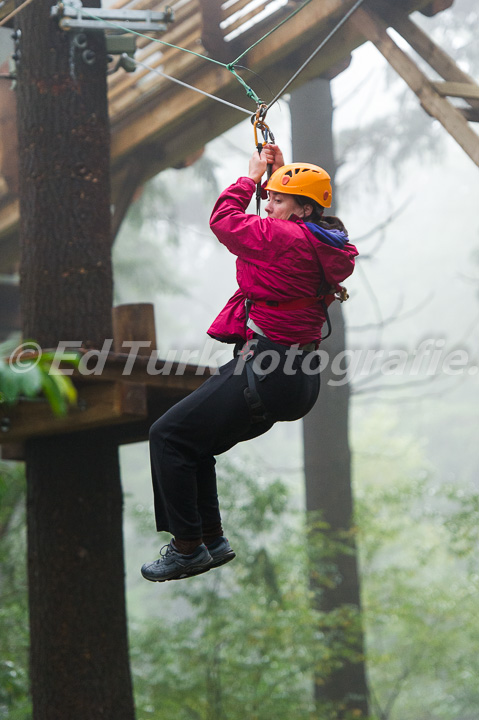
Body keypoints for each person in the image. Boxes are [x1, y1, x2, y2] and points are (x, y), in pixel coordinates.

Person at [141, 144, 358, 582]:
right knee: (192, 443)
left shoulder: (283, 236)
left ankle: (188, 549)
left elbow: (224, 222)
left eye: (278, 199)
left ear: (302, 209)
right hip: (296, 380)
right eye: (269, 196)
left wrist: (251, 176)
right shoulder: (323, 242)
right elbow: (276, 225)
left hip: (266, 369)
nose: (268, 202)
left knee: (166, 436)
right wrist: (275, 179)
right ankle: (211, 540)